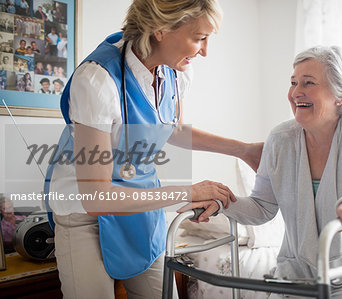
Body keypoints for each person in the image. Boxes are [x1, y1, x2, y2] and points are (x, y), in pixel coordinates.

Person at [44, 1, 263, 298]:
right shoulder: (97, 80)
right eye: (199, 38)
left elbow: (173, 127)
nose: (205, 51)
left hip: (140, 204)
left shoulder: (176, 71)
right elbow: (96, 197)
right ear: (160, 29)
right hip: (85, 213)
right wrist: (188, 192)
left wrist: (244, 150)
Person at [187, 46, 342, 298]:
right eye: (293, 82)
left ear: (340, 95)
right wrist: (224, 201)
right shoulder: (280, 138)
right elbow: (263, 207)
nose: (296, 92)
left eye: (308, 83)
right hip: (299, 272)